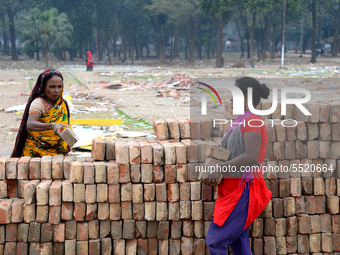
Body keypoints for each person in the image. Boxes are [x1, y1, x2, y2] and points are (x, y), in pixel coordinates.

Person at [205, 77, 272, 255]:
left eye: (234, 95)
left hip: (244, 190)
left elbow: (250, 157)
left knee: (215, 240)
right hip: (233, 187)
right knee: (238, 242)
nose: (231, 100)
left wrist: (220, 168)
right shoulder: (241, 120)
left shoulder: (252, 122)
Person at [11, 69, 71, 157]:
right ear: (43, 87)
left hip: (57, 152)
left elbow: (64, 125)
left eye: (59, 86)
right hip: (36, 151)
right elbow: (30, 124)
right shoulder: (39, 103)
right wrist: (53, 126)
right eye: (52, 87)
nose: (57, 90)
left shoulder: (62, 104)